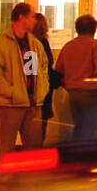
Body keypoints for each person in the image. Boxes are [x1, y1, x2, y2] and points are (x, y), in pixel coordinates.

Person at [0, 3, 49, 160]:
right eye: (32, 16)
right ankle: (5, 183)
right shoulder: (1, 43)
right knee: (7, 147)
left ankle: (31, 183)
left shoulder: (32, 43)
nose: (35, 20)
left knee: (33, 148)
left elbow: (36, 71)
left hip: (32, 104)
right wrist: (13, 93)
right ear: (21, 17)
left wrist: (40, 90)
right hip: (10, 105)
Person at [54, 14, 97, 139]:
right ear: (94, 29)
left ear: (77, 29)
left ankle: (77, 151)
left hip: (72, 94)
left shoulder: (68, 46)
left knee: (78, 126)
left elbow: (58, 71)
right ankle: (87, 155)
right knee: (91, 127)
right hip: (91, 93)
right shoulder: (96, 46)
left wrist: (68, 84)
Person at [31, 13, 59, 141]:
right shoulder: (42, 42)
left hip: (35, 90)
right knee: (40, 128)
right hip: (42, 91)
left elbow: (31, 69)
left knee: (34, 127)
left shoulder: (30, 43)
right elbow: (47, 66)